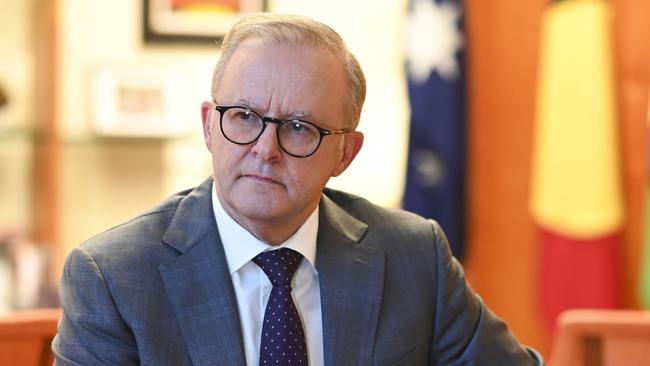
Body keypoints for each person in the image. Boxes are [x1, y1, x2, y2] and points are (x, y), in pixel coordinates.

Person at [53, 13, 543, 366]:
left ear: (345, 154)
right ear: (209, 125)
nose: (266, 149)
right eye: (243, 117)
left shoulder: (415, 257)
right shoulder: (114, 277)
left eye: (300, 128)